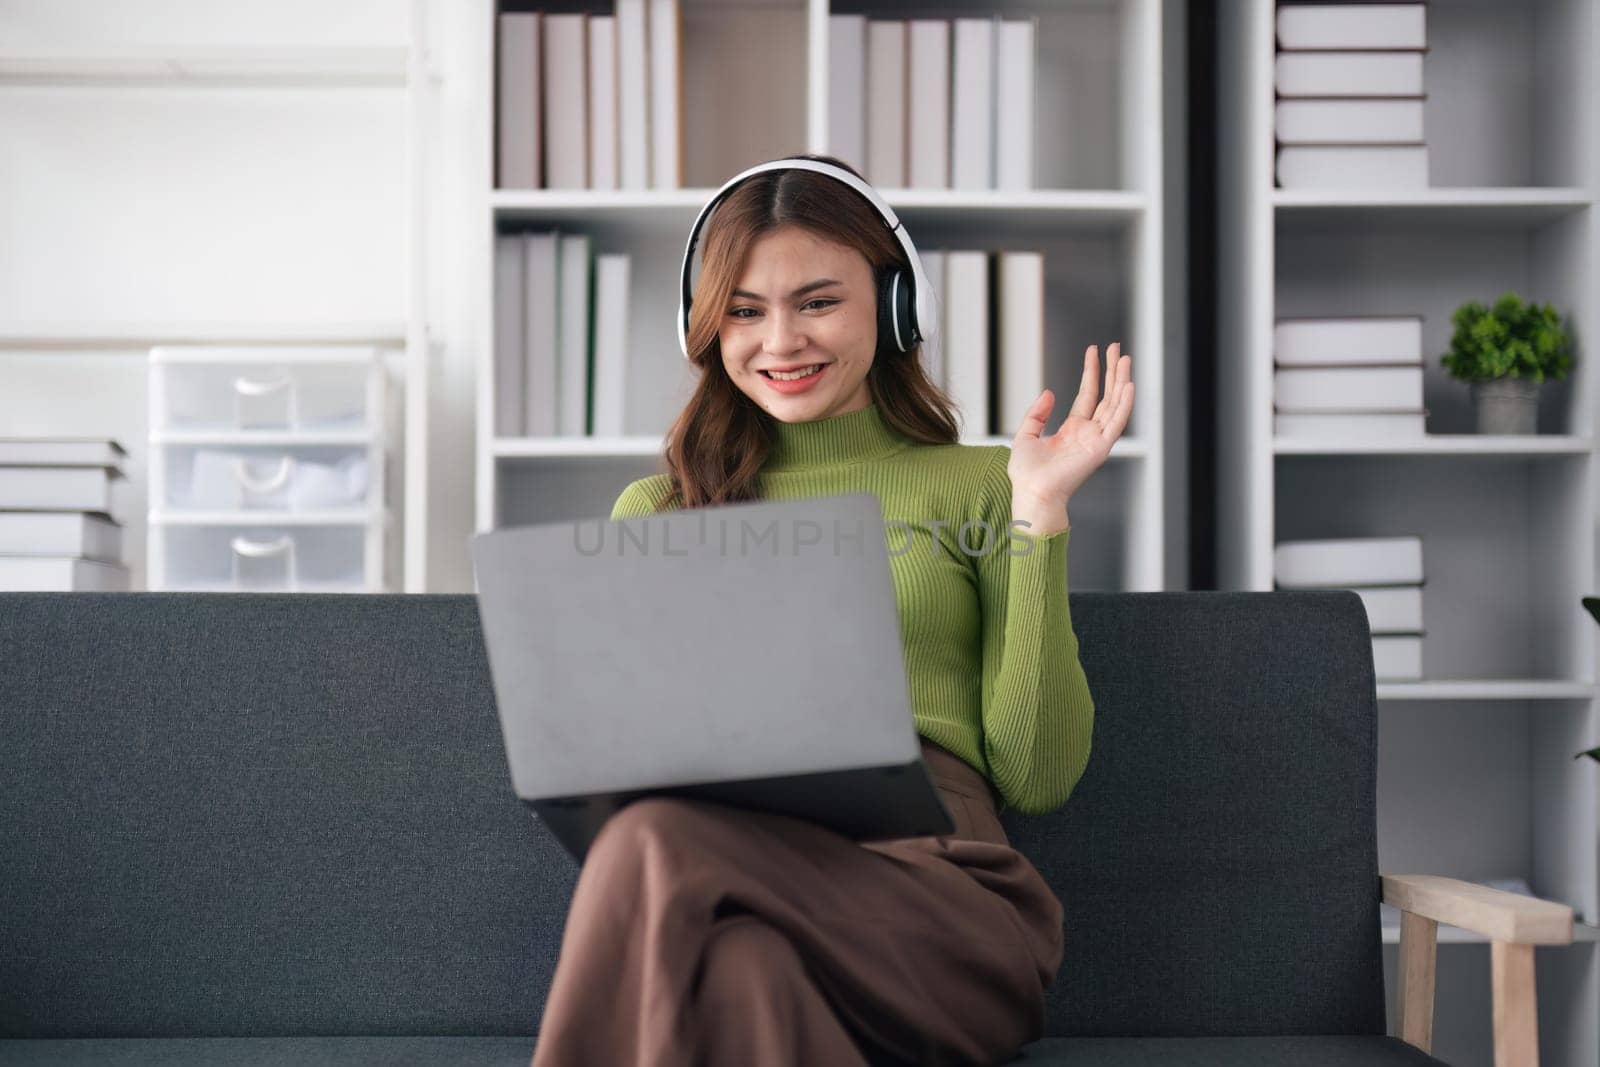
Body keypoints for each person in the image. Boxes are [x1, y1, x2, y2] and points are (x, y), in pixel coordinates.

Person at [529, 154, 1134, 1067]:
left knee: (654, 840)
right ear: (706, 328)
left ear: (893, 309)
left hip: (939, 898)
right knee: (743, 971)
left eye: (817, 301)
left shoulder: (986, 487)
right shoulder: (655, 513)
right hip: (737, 884)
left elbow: (1039, 773)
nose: (780, 341)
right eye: (744, 309)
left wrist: (1038, 518)